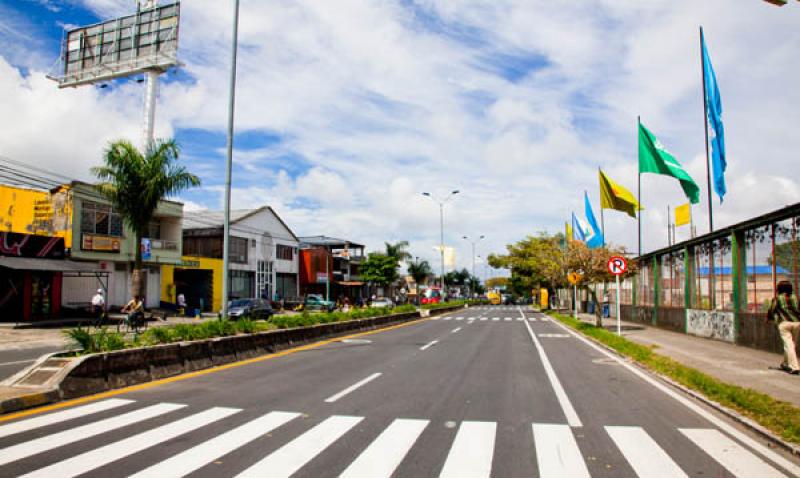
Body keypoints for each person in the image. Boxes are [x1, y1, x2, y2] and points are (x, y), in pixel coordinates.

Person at [768, 281, 800, 374]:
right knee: (792, 345)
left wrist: (769, 319)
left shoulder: (777, 299)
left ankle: (794, 367)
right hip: (797, 323)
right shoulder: (796, 297)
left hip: (784, 323)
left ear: (779, 289)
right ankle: (785, 363)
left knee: (788, 345)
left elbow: (772, 310)